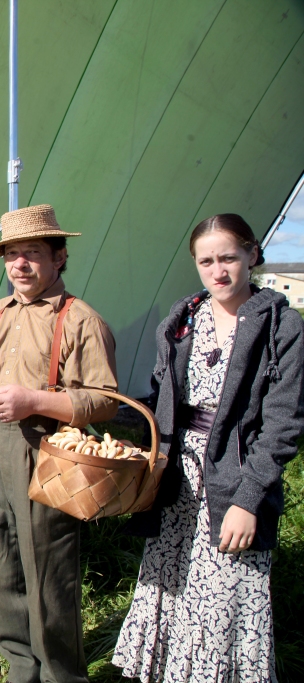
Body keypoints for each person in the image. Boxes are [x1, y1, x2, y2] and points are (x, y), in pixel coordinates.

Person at [113, 215, 304, 683]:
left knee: (223, 600)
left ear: (252, 255)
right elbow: (164, 399)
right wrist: (118, 423)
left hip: (236, 475)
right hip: (179, 478)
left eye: (228, 258)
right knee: (175, 591)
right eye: (206, 261)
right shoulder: (182, 320)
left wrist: (248, 499)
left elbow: (283, 424)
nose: (218, 271)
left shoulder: (280, 324)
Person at [0, 204, 119, 683]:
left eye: (32, 253)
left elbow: (105, 401)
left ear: (59, 257)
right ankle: (21, 665)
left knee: (48, 569)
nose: (20, 265)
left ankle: (61, 674)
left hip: (47, 450)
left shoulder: (80, 319)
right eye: (12, 255)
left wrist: (35, 401)